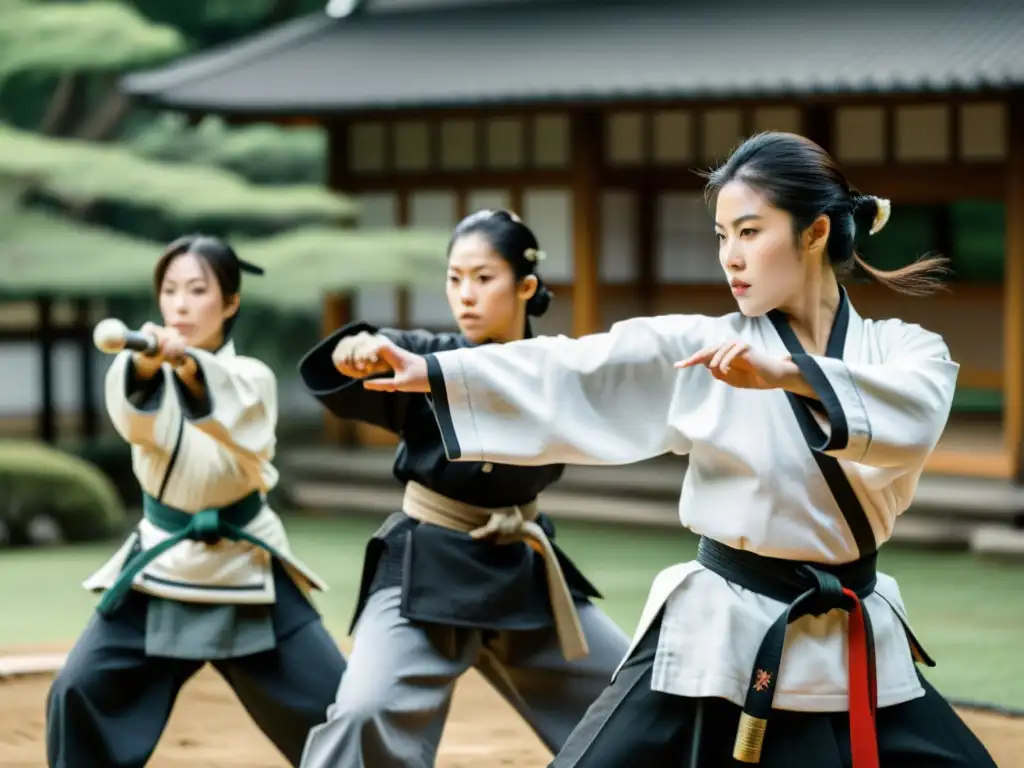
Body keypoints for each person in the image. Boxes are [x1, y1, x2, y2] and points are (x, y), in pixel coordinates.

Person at [357, 134, 999, 767]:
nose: (730, 257)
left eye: (749, 232)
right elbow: (579, 367)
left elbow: (910, 413)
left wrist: (788, 374)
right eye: (722, 237)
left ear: (815, 233)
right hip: (720, 628)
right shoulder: (703, 349)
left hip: (853, 634)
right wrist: (436, 372)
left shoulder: (905, 350)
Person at [297, 209, 631, 768]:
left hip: (522, 566)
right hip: (425, 561)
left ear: (525, 287)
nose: (465, 295)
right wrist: (352, 350)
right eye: (454, 279)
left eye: (482, 278)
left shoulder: (559, 369)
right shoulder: (423, 355)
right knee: (363, 712)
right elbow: (361, 356)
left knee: (633, 704)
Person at [46, 235, 347, 768]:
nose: (180, 304)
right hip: (162, 561)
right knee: (77, 692)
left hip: (247, 565)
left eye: (197, 290)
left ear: (230, 302)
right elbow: (136, 420)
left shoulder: (251, 377)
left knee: (343, 713)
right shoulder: (143, 370)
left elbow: (237, 413)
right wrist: (146, 367)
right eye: (170, 290)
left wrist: (190, 369)